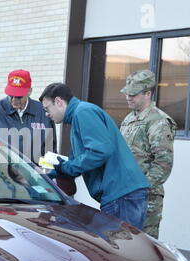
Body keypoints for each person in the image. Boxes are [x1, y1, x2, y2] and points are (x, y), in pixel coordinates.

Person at [39, 82, 150, 230]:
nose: (47, 114)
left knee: (121, 249)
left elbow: (99, 152)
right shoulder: (79, 115)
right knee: (123, 248)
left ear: (58, 102)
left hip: (121, 195)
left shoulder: (83, 113)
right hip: (122, 194)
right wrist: (46, 176)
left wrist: (66, 168)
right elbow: (77, 159)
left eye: (47, 108)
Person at [120, 70, 177, 239]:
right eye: (127, 94)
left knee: (145, 246)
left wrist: (142, 187)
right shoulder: (129, 119)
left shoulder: (158, 121)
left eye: (133, 94)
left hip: (146, 197)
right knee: (125, 243)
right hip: (126, 194)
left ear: (147, 94)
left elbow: (163, 163)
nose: (128, 97)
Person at [0, 69, 57, 164]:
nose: (14, 100)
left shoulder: (43, 112)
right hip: (1, 175)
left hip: (35, 175)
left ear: (29, 91)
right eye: (10, 95)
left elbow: (50, 150)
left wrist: (45, 173)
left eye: (19, 96)